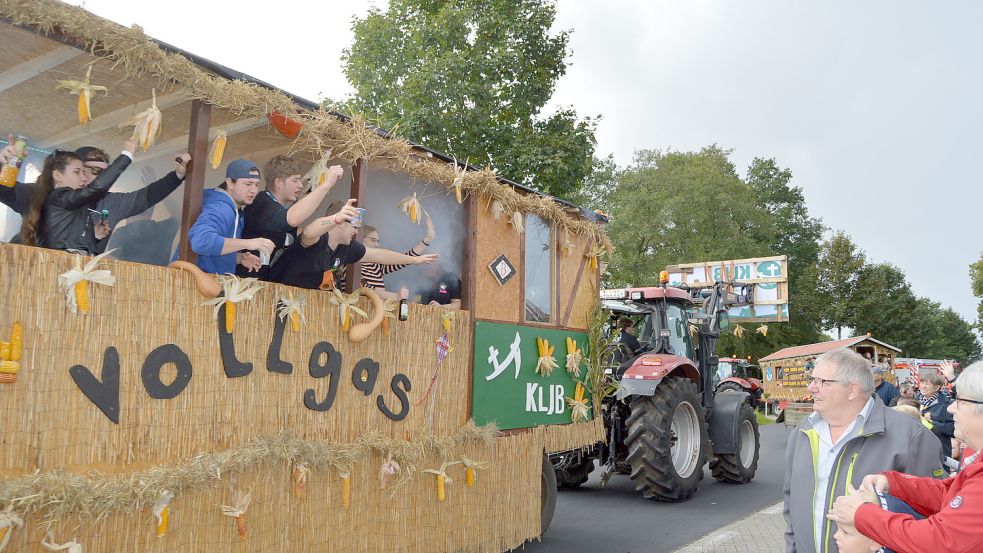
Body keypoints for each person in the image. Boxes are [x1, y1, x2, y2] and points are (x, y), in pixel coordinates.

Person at [783, 348, 944, 553]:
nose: (811, 387)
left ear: (852, 390)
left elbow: (933, 520)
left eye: (821, 382)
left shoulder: (912, 438)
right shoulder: (803, 432)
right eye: (812, 379)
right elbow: (790, 506)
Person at [827, 360, 983, 553]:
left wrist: (862, 515)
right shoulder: (975, 458)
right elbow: (948, 493)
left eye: (959, 401)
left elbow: (939, 541)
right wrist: (894, 483)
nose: (951, 408)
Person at [0, 136, 189, 249]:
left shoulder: (110, 202)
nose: (99, 177)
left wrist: (177, 176)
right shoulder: (40, 192)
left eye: (106, 172)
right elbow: (4, 190)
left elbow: (146, 196)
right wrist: (5, 163)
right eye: (93, 170)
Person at [268, 200, 438, 290]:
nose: (356, 232)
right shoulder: (317, 238)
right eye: (354, 226)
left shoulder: (348, 247)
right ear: (340, 223)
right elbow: (309, 232)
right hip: (274, 294)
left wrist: (415, 260)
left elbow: (379, 255)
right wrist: (336, 218)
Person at [236, 156, 343, 280]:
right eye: (295, 180)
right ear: (279, 182)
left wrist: (313, 185)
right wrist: (326, 185)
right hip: (247, 281)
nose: (300, 185)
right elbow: (293, 218)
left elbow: (295, 213)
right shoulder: (262, 204)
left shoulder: (272, 205)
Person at [26, 139, 137, 253]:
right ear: (58, 175)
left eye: (83, 172)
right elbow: (95, 188)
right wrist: (126, 155)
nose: (83, 177)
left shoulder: (75, 206)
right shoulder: (59, 197)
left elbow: (71, 241)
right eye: (77, 172)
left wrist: (95, 236)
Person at [188, 159, 273, 274]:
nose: (253, 190)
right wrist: (248, 243)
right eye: (248, 184)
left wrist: (239, 258)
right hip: (193, 284)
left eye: (257, 185)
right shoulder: (221, 208)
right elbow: (202, 241)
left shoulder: (235, 209)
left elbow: (209, 254)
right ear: (230, 183)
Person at [359, 213, 435, 300]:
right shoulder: (351, 262)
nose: (376, 245)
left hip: (376, 309)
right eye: (373, 240)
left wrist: (428, 239)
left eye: (378, 241)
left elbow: (404, 260)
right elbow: (363, 288)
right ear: (360, 238)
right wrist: (395, 296)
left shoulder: (375, 265)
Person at [918, 372, 956, 459]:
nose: (923, 386)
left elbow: (952, 430)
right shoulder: (914, 402)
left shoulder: (947, 404)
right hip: (919, 450)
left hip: (939, 451)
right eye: (922, 383)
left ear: (937, 387)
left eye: (927, 384)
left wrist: (930, 423)